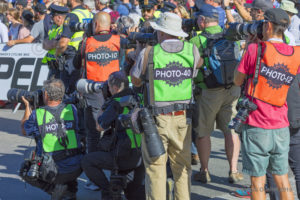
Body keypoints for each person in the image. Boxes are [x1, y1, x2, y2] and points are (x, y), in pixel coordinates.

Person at [131, 12, 202, 199]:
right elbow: (196, 69)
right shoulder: (191, 50)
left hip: (156, 120)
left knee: (156, 169)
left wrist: (139, 53)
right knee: (182, 167)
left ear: (160, 32)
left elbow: (136, 81)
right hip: (182, 117)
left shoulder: (149, 52)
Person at [234, 8, 299, 200]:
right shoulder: (296, 53)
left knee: (258, 180)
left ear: (268, 26)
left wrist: (249, 46)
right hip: (281, 124)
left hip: (256, 124)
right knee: (282, 178)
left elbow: (238, 80)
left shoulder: (255, 49)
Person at [189, 3, 243, 184]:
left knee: (204, 132)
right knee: (231, 130)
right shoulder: (230, 35)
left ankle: (204, 171)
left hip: (208, 92)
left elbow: (191, 67)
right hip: (232, 89)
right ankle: (234, 170)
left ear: (203, 20)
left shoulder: (196, 41)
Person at [81, 71, 145, 200]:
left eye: (108, 87)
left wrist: (103, 108)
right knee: (133, 194)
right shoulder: (139, 97)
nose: (107, 89)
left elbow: (99, 127)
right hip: (142, 156)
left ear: (115, 88)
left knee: (87, 161)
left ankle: (108, 189)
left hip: (124, 156)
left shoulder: (115, 103)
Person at [20, 79, 82, 200]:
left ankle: (56, 191)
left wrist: (28, 106)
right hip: (77, 167)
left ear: (46, 95)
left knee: (25, 170)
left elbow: (24, 129)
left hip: (52, 171)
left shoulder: (37, 114)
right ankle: (71, 190)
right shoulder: (72, 109)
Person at [56, 0, 93, 94]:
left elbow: (64, 42)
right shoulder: (89, 14)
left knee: (68, 92)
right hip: (85, 56)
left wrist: (57, 54)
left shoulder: (72, 15)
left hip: (72, 59)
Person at [42, 4, 69, 80]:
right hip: (52, 66)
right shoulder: (54, 27)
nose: (51, 18)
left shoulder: (65, 28)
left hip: (61, 65)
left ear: (59, 17)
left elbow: (62, 44)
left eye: (52, 16)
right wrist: (53, 43)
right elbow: (44, 44)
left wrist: (52, 43)